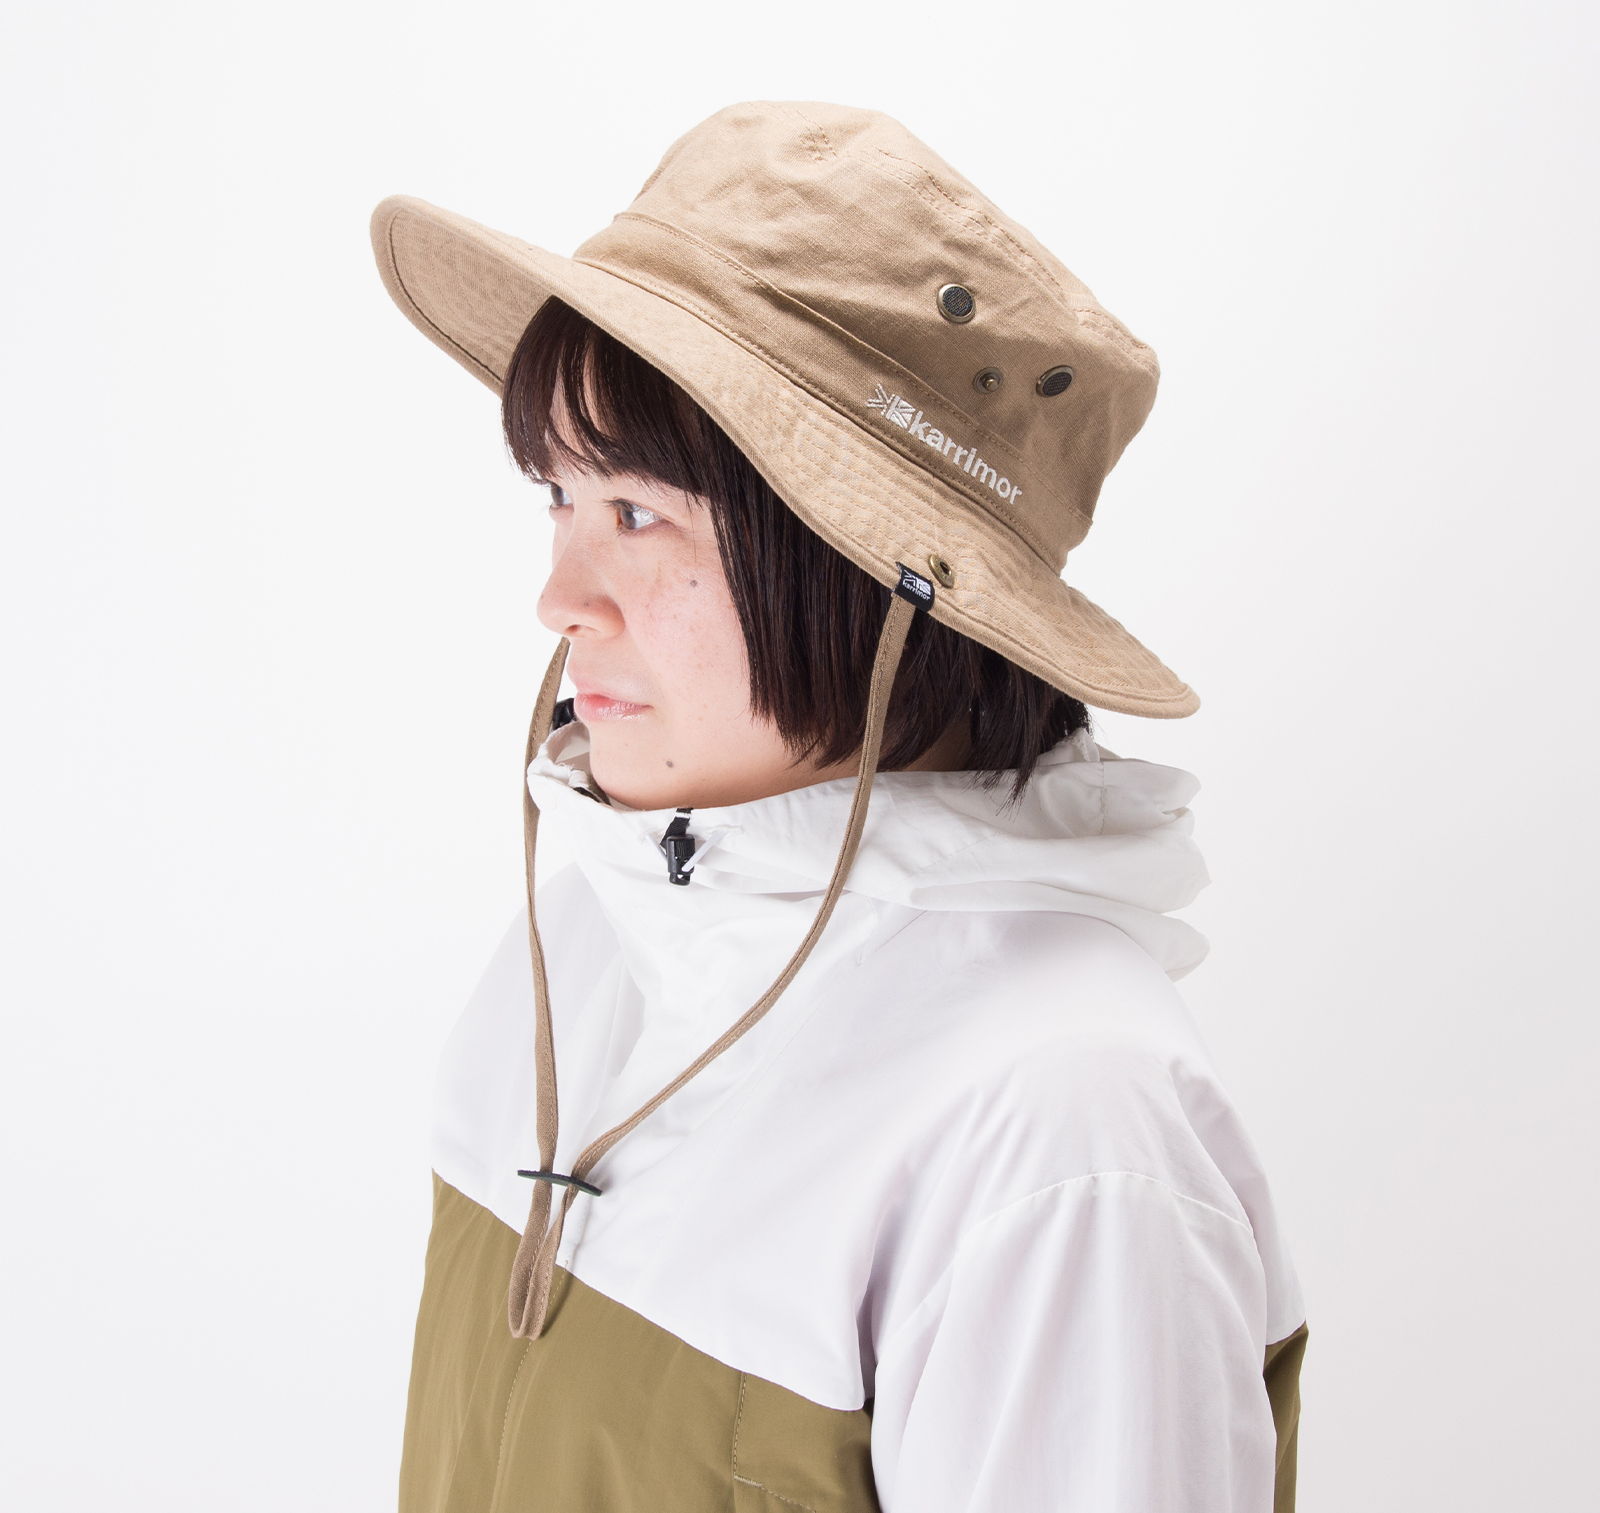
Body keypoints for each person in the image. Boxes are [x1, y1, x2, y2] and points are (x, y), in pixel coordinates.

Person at [369, 102, 1306, 1513]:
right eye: (558, 495)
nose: (558, 599)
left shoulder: (1064, 1138)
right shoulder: (577, 947)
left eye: (637, 512)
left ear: (870, 576)